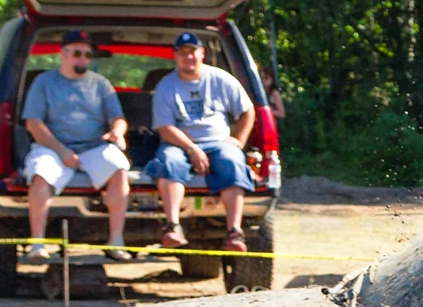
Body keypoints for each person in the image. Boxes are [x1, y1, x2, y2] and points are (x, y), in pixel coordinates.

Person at [21, 30, 133, 263]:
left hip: (94, 146)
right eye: (77, 53)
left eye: (87, 54)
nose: (82, 59)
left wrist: (118, 132)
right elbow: (33, 123)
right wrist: (62, 151)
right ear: (63, 54)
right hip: (52, 147)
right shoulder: (44, 82)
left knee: (119, 167)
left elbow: (118, 117)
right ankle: (37, 244)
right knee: (40, 174)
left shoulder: (101, 84)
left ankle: (116, 240)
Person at [145, 31, 256, 252]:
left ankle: (234, 232)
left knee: (233, 161)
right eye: (182, 53)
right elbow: (164, 128)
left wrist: (240, 140)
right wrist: (192, 148)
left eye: (192, 51)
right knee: (168, 162)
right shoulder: (166, 86)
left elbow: (247, 111)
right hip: (179, 143)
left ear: (202, 53)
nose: (188, 57)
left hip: (218, 142)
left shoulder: (221, 79)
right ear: (175, 56)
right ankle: (173, 226)